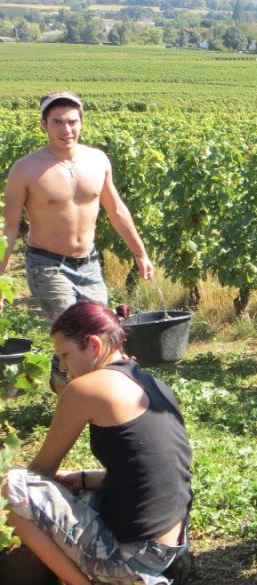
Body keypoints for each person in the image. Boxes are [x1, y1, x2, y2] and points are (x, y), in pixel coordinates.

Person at [2, 300, 193, 585]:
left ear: (93, 343)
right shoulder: (149, 383)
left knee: (13, 487)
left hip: (130, 559)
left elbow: (39, 471)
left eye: (64, 354)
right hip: (168, 547)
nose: (64, 367)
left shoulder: (85, 388)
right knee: (71, 491)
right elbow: (147, 475)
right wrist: (80, 478)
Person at [1, 91, 156, 391]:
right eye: (57, 122)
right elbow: (9, 228)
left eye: (72, 121)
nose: (66, 129)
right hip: (46, 264)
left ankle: (75, 383)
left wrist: (140, 253)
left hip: (89, 264)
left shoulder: (97, 160)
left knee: (101, 334)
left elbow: (117, 209)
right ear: (43, 125)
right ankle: (72, 396)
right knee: (75, 334)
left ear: (82, 122)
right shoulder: (26, 169)